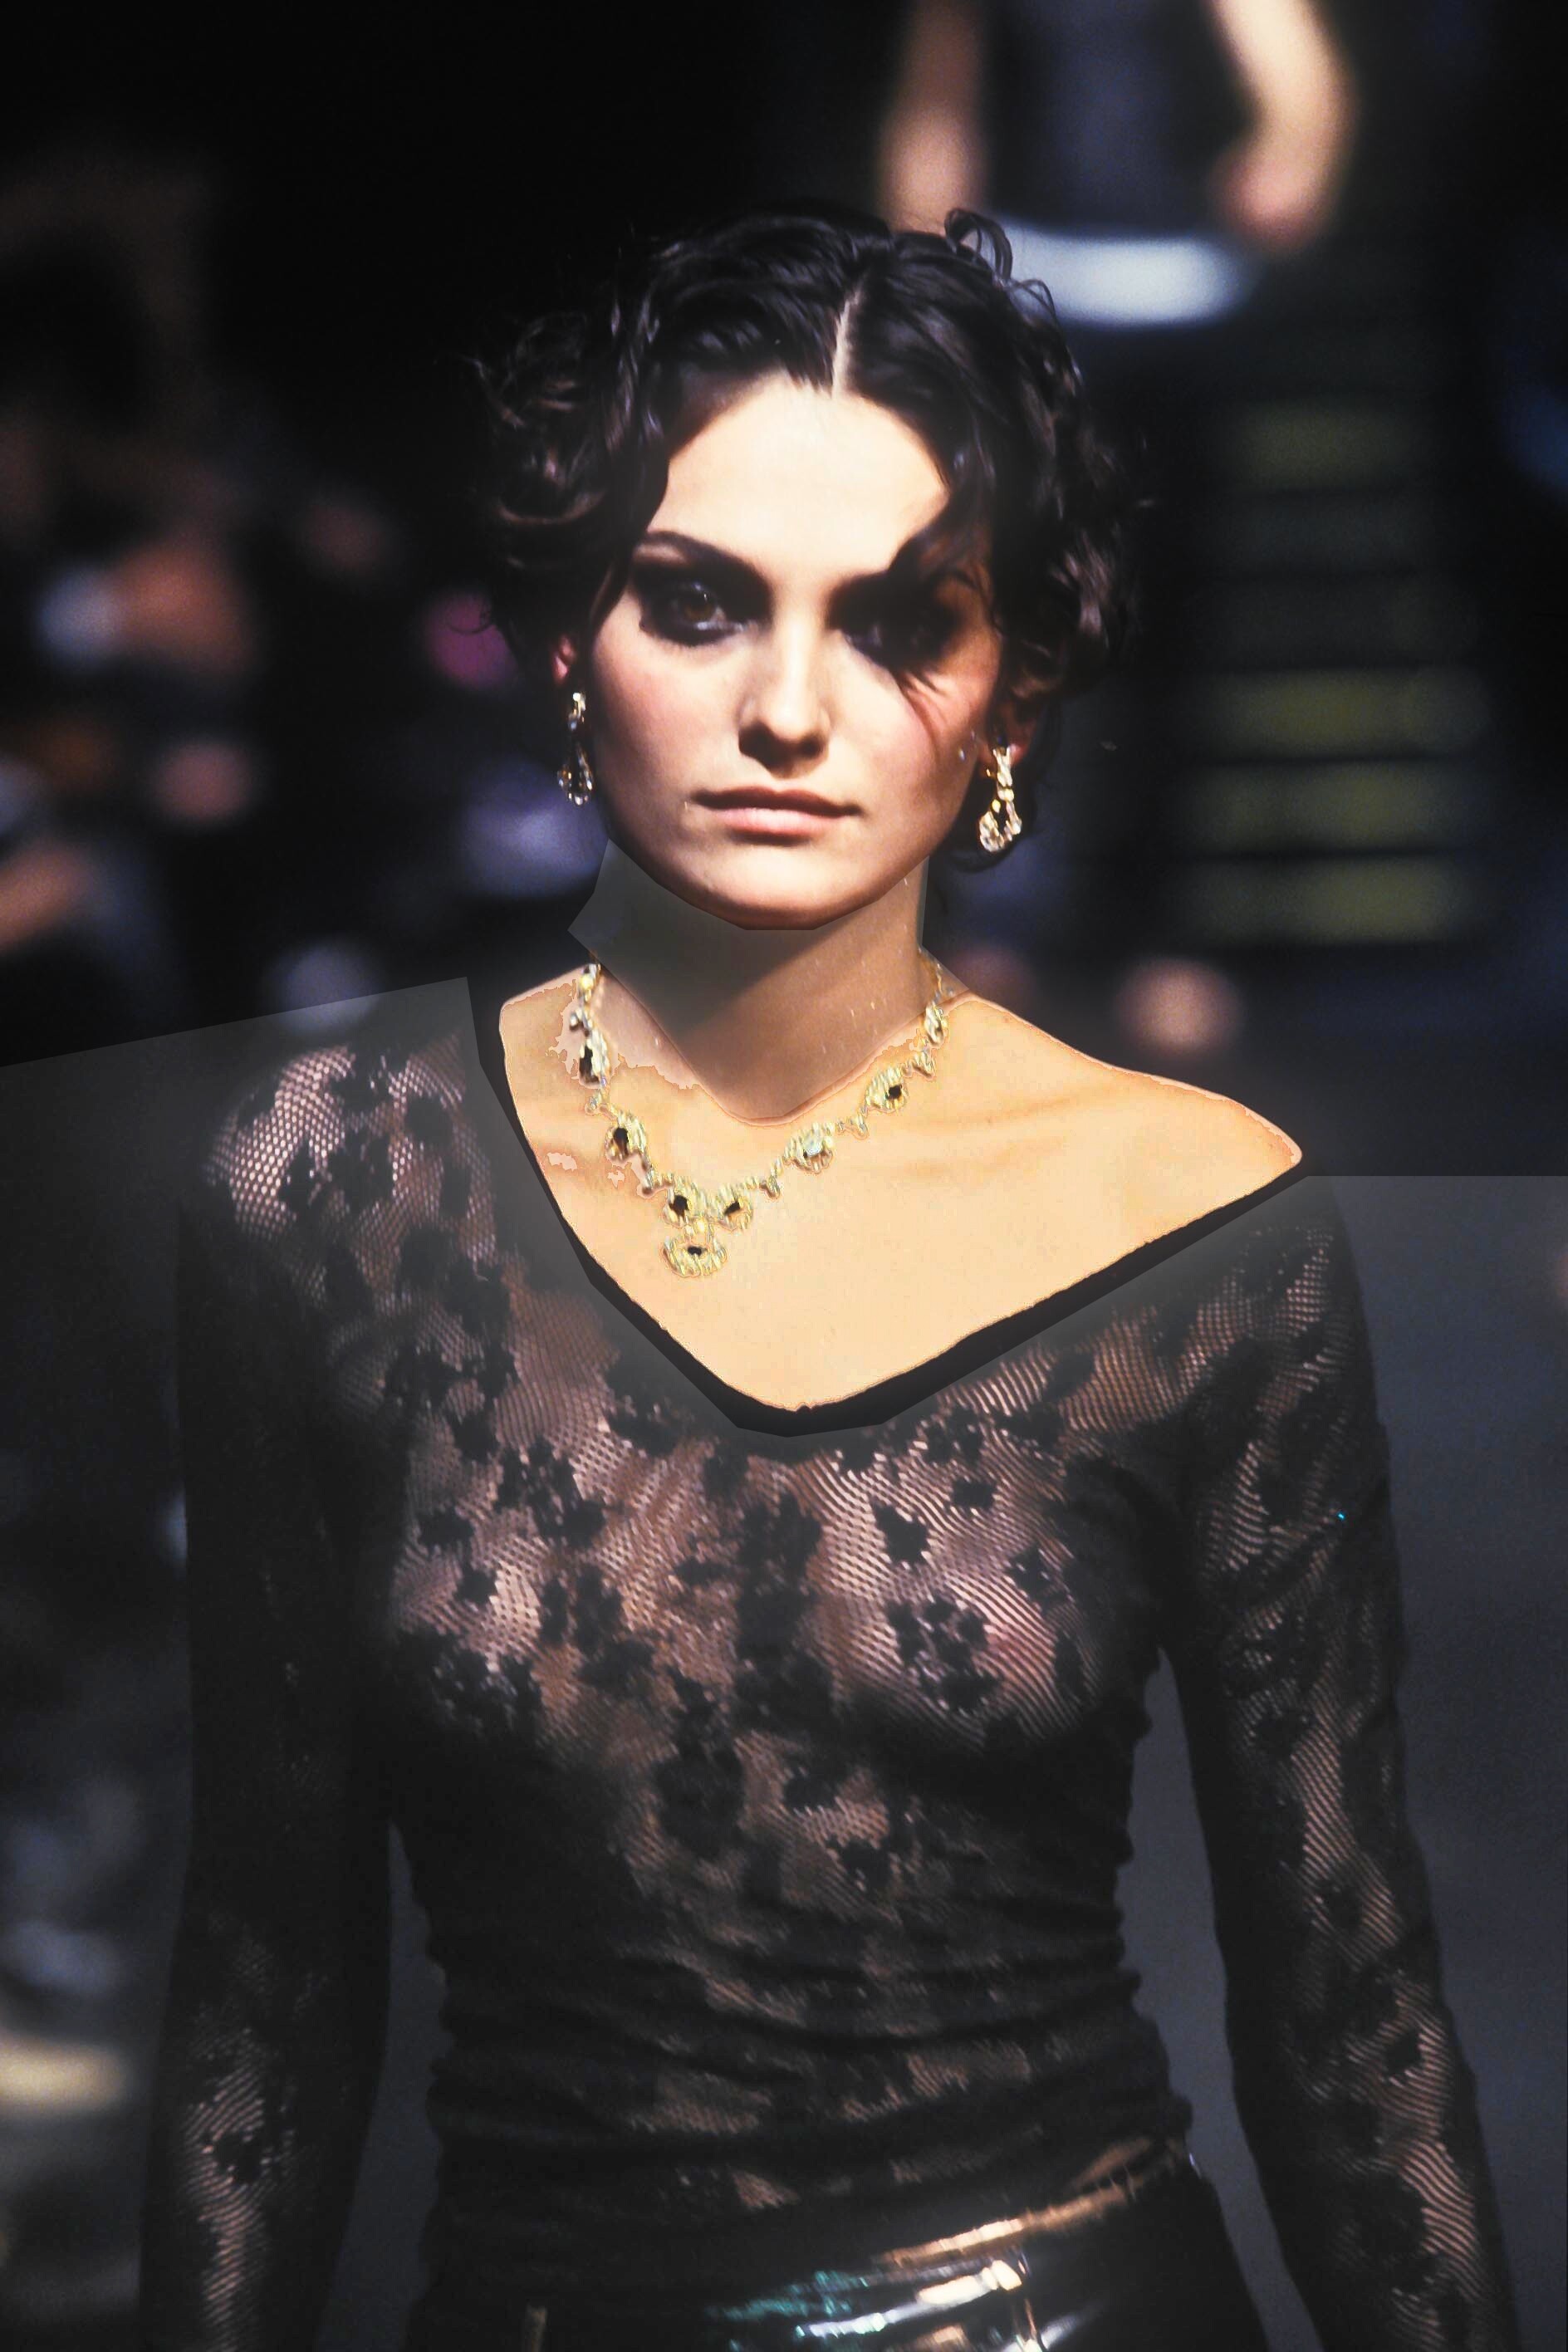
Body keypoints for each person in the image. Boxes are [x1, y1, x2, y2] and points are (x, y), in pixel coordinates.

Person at [136, 208, 1520, 2350]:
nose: (787, 709)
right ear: (569, 642)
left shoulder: (1200, 1224)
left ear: (1012, 688)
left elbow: (1349, 2004)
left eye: (898, 620)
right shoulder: (325, 1190)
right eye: (698, 602)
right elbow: (263, 1978)